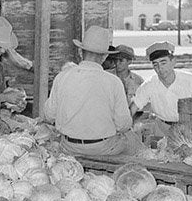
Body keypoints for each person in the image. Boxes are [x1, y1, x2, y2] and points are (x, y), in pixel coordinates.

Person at [42, 26, 145, 158]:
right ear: (105, 56)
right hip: (102, 147)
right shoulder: (113, 82)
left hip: (69, 146)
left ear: (80, 52)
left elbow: (49, 115)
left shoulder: (62, 77)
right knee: (133, 140)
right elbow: (123, 125)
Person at [130, 42, 192, 142]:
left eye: (163, 63)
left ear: (173, 61)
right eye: (155, 64)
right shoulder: (149, 84)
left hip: (188, 129)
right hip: (162, 128)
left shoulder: (191, 81)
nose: (160, 68)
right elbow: (134, 106)